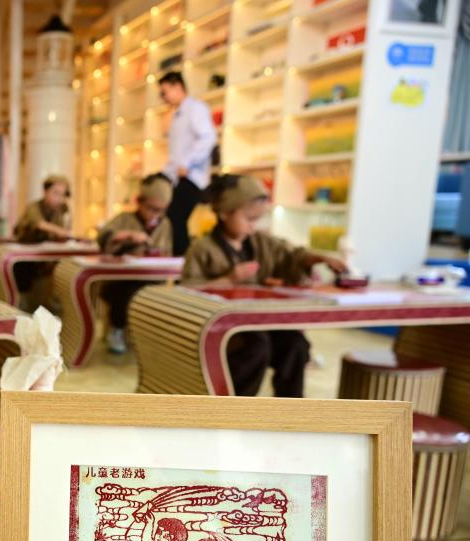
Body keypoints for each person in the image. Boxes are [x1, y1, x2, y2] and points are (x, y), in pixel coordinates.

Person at [181, 174, 347, 397]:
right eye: (248, 218)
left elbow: (292, 255)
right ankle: (236, 413)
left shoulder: (261, 243)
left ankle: (288, 412)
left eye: (256, 219)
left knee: (295, 345)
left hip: (260, 325)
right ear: (224, 213)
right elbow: (187, 293)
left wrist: (318, 258)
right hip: (223, 332)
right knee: (256, 347)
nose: (253, 225)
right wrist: (228, 279)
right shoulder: (202, 249)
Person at [96, 173, 173, 354]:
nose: (156, 214)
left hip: (151, 279)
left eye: (160, 210)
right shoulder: (124, 218)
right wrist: (125, 235)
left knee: (144, 291)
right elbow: (103, 237)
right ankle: (117, 330)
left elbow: (167, 252)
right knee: (125, 290)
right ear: (139, 202)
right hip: (120, 279)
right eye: (151, 208)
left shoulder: (165, 224)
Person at [158, 72, 217, 256]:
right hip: (178, 177)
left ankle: (181, 265)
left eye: (165, 92)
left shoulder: (196, 109)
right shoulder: (177, 115)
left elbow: (208, 138)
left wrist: (187, 163)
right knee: (172, 220)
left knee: (176, 219)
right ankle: (176, 262)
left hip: (192, 178)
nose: (163, 98)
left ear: (178, 87)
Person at [11, 174, 73, 311]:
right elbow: (38, 223)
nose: (60, 198)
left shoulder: (63, 210)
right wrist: (60, 231)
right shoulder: (34, 207)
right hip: (27, 257)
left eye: (63, 194)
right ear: (45, 192)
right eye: (55, 193)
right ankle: (22, 305)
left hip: (49, 257)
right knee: (24, 271)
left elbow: (66, 228)